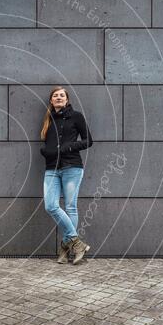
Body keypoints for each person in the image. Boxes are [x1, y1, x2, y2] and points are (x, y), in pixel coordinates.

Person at [39, 86, 93, 264]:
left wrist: (68, 147)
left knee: (70, 207)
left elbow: (88, 141)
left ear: (67, 99)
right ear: (51, 100)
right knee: (50, 205)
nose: (59, 97)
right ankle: (76, 243)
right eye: (55, 95)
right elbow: (49, 143)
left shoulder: (76, 116)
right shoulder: (48, 119)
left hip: (72, 167)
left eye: (62, 95)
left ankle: (65, 245)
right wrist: (45, 151)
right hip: (51, 169)